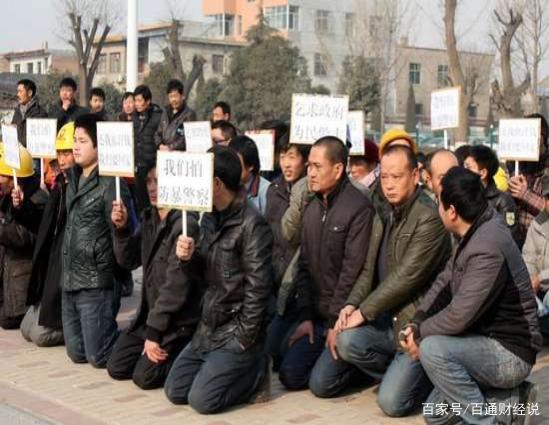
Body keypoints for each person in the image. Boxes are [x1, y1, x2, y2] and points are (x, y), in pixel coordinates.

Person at [401, 167, 542, 425]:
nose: (437, 207)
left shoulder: (487, 245)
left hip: (510, 351)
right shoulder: (472, 228)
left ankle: (487, 421)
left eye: (439, 202)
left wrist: (421, 335)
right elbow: (445, 282)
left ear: (452, 211)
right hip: (480, 341)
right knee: (435, 413)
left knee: (432, 349)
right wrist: (418, 321)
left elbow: (459, 316)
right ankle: (513, 401)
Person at [334, 145, 451, 416]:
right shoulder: (384, 213)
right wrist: (351, 304)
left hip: (415, 324)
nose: (388, 184)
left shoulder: (429, 217)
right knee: (346, 341)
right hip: (387, 321)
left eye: (396, 177)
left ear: (415, 175)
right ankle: (399, 375)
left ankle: (429, 378)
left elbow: (406, 277)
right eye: (385, 177)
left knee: (392, 404)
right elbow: (368, 270)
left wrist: (364, 311)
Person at [164, 146, 273, 414]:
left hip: (236, 330)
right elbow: (203, 274)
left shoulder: (252, 224)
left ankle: (256, 375)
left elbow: (258, 290)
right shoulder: (210, 217)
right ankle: (218, 369)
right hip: (208, 327)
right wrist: (188, 258)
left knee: (202, 400)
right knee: (175, 390)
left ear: (216, 183)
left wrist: (244, 338)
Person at [277, 136, 375, 397]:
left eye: (317, 166)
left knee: (321, 386)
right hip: (317, 317)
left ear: (338, 169)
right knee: (289, 373)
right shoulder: (311, 207)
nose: (310, 173)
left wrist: (335, 324)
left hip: (344, 318)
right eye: (309, 165)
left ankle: (360, 367)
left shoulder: (359, 208)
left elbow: (352, 272)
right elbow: (304, 266)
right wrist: (306, 317)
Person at [107, 166, 202, 390]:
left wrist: (155, 333)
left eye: (158, 182)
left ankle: (184, 352)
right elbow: (128, 260)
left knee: (144, 377)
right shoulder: (149, 217)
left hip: (175, 324)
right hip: (148, 318)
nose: (152, 187)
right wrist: (121, 229)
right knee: (117, 366)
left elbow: (175, 287)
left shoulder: (185, 225)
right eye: (149, 181)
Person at [62, 113, 132, 368]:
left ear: (99, 146)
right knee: (77, 353)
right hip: (70, 278)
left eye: (82, 141)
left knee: (98, 356)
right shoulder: (72, 179)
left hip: (96, 281)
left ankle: (138, 341)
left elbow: (127, 236)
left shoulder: (111, 183)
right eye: (75, 140)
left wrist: (122, 224)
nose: (75, 146)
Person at [20, 123, 75, 347]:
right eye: (58, 155)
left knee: (40, 336)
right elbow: (41, 223)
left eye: (66, 153)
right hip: (49, 269)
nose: (61, 160)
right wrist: (20, 206)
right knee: (26, 330)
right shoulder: (59, 186)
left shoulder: (76, 187)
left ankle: (75, 330)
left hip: (66, 274)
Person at [0, 145, 47, 329]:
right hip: (7, 274)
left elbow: (25, 236)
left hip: (21, 281)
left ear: (15, 179)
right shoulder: (6, 196)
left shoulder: (38, 199)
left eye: (1, 175)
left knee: (6, 320)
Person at [509, 113, 549, 247]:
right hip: (516, 242)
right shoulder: (517, 165)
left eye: (532, 134)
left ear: (543, 137)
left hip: (541, 245)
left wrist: (525, 194)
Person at [464, 145, 518, 242]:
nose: (463, 172)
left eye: (468, 168)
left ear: (483, 173)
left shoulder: (504, 201)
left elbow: (509, 234)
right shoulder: (464, 196)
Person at [523, 173, 549, 337]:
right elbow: (528, 256)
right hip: (539, 286)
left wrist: (540, 278)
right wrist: (531, 279)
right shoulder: (538, 223)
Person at [132, 85, 162, 213]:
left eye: (139, 100)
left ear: (148, 101)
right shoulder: (134, 116)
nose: (137, 104)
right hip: (138, 166)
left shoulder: (158, 116)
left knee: (154, 200)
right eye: (135, 100)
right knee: (141, 200)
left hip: (152, 166)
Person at [229, 135, 271, 216]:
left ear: (250, 165)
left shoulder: (267, 192)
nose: (231, 167)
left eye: (236, 163)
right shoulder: (226, 186)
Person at [154, 79, 197, 151]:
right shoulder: (164, 112)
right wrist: (160, 145)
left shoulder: (189, 114)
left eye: (176, 96)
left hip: (179, 154)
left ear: (182, 96)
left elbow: (186, 138)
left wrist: (170, 147)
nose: (173, 99)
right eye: (171, 96)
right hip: (163, 153)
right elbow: (158, 133)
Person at [11, 78, 48, 147]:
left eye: (20, 91)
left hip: (31, 153)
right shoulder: (17, 111)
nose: (18, 94)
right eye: (17, 91)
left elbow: (40, 139)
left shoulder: (40, 113)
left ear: (29, 93)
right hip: (16, 152)